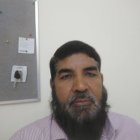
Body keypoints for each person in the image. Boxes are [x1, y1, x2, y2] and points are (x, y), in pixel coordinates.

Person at [10, 40, 140, 140]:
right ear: (53, 85)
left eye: (90, 74)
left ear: (101, 79)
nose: (80, 86)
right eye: (66, 76)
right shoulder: (24, 137)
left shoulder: (131, 130)